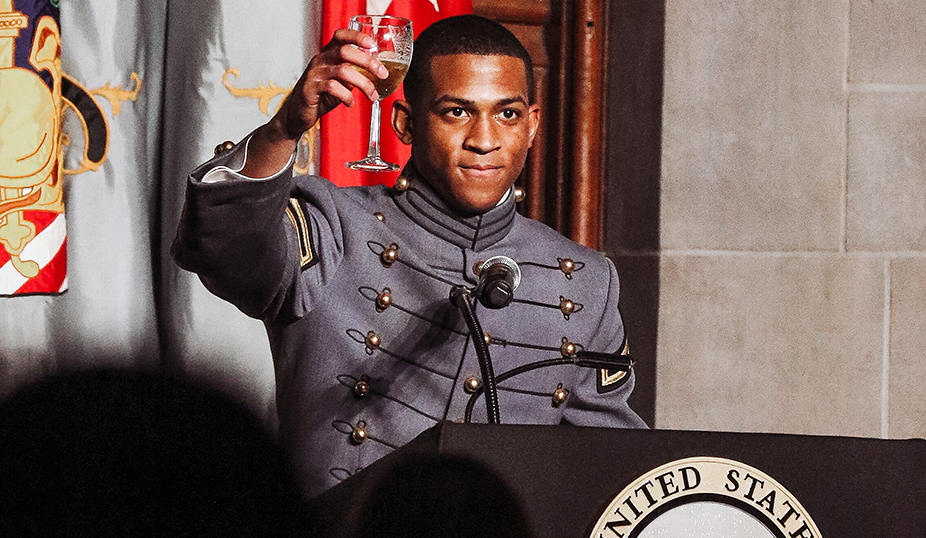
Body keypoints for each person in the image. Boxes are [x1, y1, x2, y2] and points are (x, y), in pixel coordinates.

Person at [173, 15, 646, 499]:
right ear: (405, 123)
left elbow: (615, 469)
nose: (484, 140)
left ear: (532, 125)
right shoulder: (335, 223)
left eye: (507, 114)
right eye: (457, 112)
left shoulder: (588, 282)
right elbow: (221, 249)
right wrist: (283, 128)